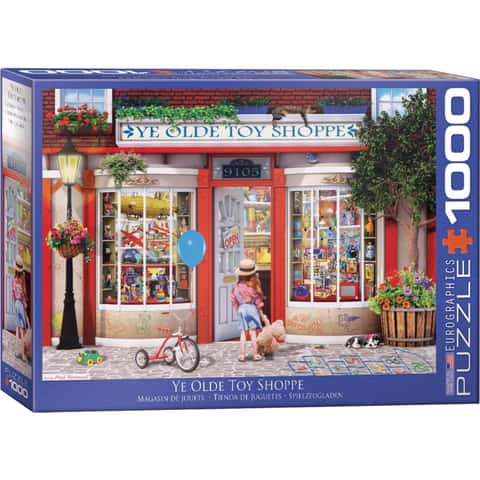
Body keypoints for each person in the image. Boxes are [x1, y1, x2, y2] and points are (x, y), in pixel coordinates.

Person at [231, 259, 265, 362]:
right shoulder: (253, 287)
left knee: (243, 333)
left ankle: (242, 355)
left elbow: (234, 300)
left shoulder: (237, 287)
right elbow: (258, 303)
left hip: (242, 309)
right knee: (253, 333)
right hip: (252, 309)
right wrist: (262, 315)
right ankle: (255, 354)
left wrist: (237, 310)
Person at [12, 255, 30, 362]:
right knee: (23, 328)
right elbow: (24, 292)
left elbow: (13, 293)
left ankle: (17, 350)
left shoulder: (14, 279)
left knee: (18, 327)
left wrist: (16, 302)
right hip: (21, 303)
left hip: (16, 303)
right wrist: (25, 303)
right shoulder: (22, 277)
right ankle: (23, 352)